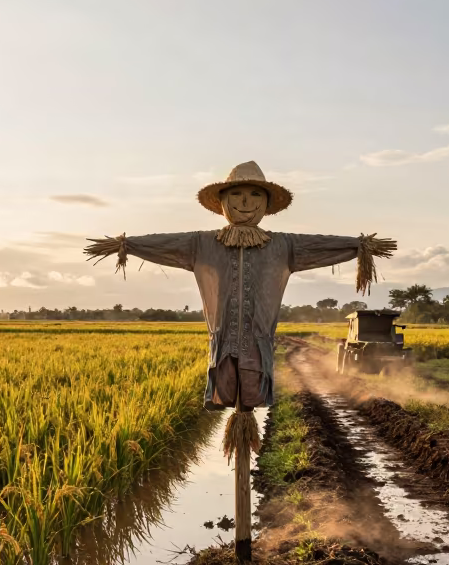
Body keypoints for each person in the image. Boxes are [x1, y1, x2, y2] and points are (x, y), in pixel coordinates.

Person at [86, 161, 396, 411]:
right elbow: (164, 242)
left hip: (257, 346)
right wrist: (126, 244)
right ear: (222, 201)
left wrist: (358, 246)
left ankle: (246, 427)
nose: (245, 202)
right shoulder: (201, 244)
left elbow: (319, 245)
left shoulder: (283, 245)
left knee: (250, 395)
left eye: (255, 195)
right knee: (228, 385)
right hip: (223, 346)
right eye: (236, 195)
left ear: (266, 203)